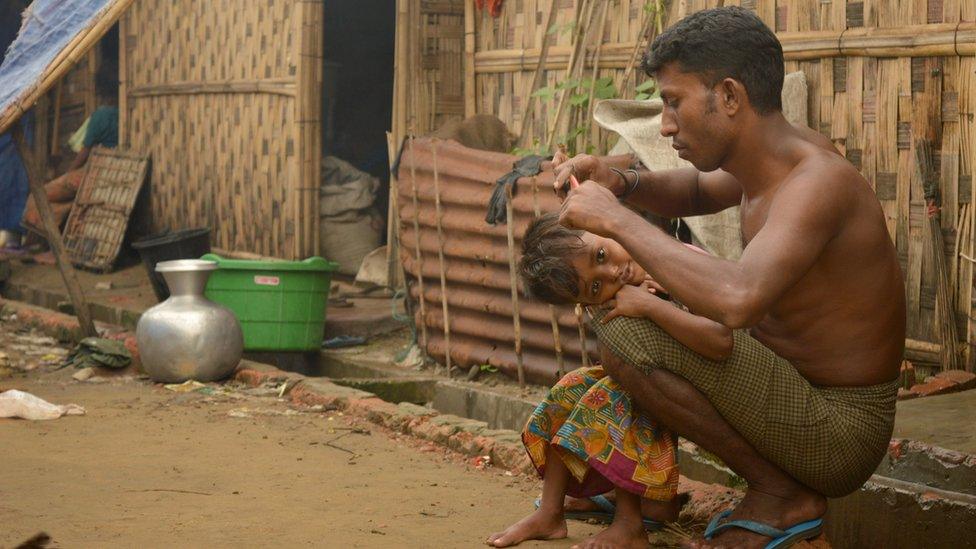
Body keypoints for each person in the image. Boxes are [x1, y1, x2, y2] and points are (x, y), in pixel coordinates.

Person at [551, 7, 904, 549]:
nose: (665, 123)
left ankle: (781, 495)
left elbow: (737, 299)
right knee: (639, 313)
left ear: (731, 97)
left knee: (626, 331)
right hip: (796, 396)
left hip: (839, 431)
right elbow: (694, 191)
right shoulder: (769, 164)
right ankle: (649, 484)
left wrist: (614, 218)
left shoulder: (818, 183)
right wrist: (618, 180)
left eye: (674, 101)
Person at [486, 213, 733, 548]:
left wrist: (654, 305)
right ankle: (550, 512)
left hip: (710, 385)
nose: (612, 273)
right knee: (573, 387)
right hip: (662, 385)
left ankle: (630, 524)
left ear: (605, 227)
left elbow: (722, 336)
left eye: (600, 256)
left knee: (613, 395)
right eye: (596, 287)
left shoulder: (675, 262)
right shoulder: (621, 294)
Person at [21, 66, 118, 237]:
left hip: (94, 173)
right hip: (114, 174)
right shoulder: (125, 113)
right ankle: (67, 213)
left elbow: (84, 153)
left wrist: (69, 171)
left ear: (100, 90)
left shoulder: (101, 116)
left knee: (37, 197)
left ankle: (52, 230)